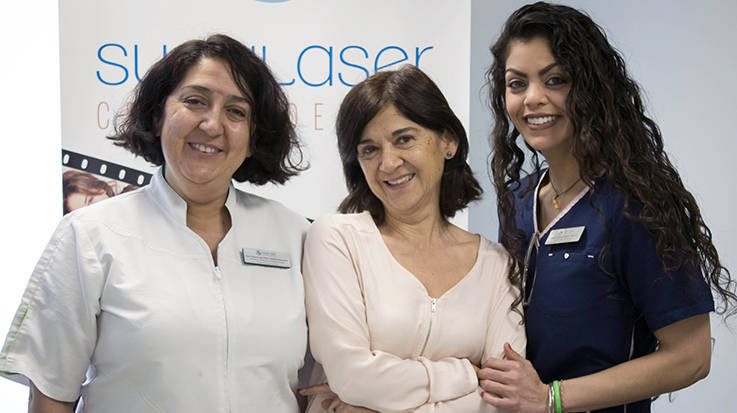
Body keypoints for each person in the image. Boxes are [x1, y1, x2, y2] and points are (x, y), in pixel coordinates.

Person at [0, 34, 310, 412]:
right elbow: (51, 392)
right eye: (195, 101)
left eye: (236, 111)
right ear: (157, 115)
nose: (212, 124)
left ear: (253, 136)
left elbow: (314, 387)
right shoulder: (91, 235)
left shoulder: (296, 236)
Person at [478, 2, 736, 412]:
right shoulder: (518, 199)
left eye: (555, 79)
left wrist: (551, 399)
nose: (533, 99)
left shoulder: (636, 203)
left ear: (592, 88)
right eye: (516, 83)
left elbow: (691, 356)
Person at [301, 65, 525, 413]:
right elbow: (352, 378)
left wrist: (372, 404)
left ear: (448, 142)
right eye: (369, 150)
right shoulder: (336, 240)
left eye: (404, 139)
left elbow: (502, 400)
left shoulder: (495, 264)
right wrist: (467, 373)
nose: (388, 163)